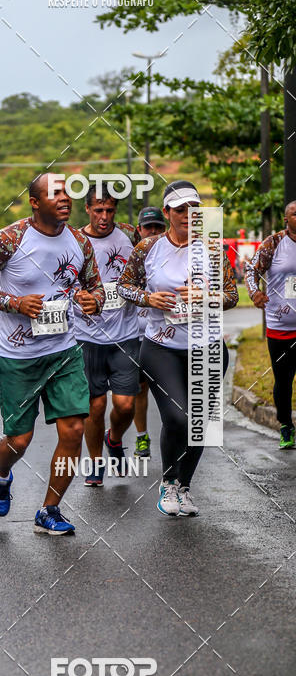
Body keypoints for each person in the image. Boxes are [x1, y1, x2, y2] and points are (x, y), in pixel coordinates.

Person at [0, 174, 105, 536]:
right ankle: (0, 473)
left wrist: (94, 300)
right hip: (18, 357)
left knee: (74, 430)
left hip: (64, 351)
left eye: (66, 193)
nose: (64, 198)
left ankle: (49, 510)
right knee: (19, 441)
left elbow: (95, 288)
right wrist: (14, 302)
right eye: (54, 193)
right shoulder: (10, 239)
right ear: (34, 201)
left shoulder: (78, 241)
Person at [118, 180, 238, 517]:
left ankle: (183, 488)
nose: (188, 215)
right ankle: (168, 482)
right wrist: (148, 297)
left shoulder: (213, 248)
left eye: (194, 209)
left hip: (208, 346)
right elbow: (125, 286)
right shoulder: (148, 248)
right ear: (168, 212)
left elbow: (231, 296)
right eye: (181, 209)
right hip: (162, 346)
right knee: (177, 417)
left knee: (201, 423)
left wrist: (207, 297)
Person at [73, 186, 140, 487]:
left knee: (126, 405)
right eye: (98, 210)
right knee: (95, 405)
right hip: (86, 334)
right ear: (87, 209)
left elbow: (146, 268)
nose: (104, 217)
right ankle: (96, 461)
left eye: (109, 210)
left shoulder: (129, 235)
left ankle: (114, 440)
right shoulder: (73, 239)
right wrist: (78, 295)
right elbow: (61, 279)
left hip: (125, 333)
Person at [245, 200, 296, 448]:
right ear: (286, 219)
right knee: (283, 380)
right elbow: (251, 271)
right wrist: (254, 292)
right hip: (281, 326)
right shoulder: (273, 243)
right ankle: (285, 425)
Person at [132, 207, 166, 458]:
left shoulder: (173, 252)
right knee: (139, 389)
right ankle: (142, 437)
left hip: (163, 335)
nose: (153, 232)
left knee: (168, 388)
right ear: (139, 230)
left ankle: (173, 432)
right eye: (148, 227)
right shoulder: (131, 255)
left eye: (158, 227)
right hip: (134, 333)